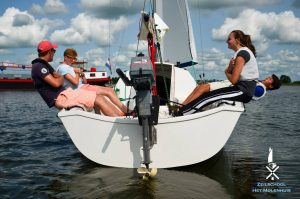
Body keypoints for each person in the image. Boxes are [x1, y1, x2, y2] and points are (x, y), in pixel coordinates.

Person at [31, 40, 124, 117]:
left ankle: (121, 116)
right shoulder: (39, 66)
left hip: (66, 94)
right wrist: (64, 75)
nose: (54, 53)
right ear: (49, 51)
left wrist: (60, 76)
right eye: (53, 51)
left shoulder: (45, 65)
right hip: (61, 97)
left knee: (100, 98)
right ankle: (120, 121)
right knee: (99, 98)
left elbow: (57, 78)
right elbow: (57, 83)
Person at [179, 30, 259, 115]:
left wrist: (227, 71)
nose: (226, 41)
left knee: (207, 98)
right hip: (241, 89)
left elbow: (234, 80)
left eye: (229, 39)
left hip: (243, 91)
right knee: (206, 96)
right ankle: (183, 110)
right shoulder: (242, 53)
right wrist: (229, 70)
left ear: (237, 40)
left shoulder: (242, 54)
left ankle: (182, 114)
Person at [56, 48, 131, 114]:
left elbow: (84, 82)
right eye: (71, 58)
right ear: (65, 57)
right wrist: (78, 73)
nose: (73, 61)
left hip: (82, 86)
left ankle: (122, 112)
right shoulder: (63, 68)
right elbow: (75, 82)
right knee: (109, 91)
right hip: (78, 90)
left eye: (74, 59)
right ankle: (125, 111)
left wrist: (83, 75)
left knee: (107, 92)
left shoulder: (69, 68)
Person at [182, 74, 281, 105]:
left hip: (229, 88)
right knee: (200, 87)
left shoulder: (260, 90)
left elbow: (245, 89)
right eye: (269, 76)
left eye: (270, 79)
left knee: (202, 88)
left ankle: (183, 107)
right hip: (229, 85)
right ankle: (184, 105)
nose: (268, 77)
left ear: (271, 86)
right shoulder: (258, 83)